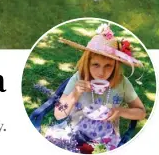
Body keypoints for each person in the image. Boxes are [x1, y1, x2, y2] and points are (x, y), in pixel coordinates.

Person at [52, 23, 146, 151]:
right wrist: (75, 94)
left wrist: (121, 111)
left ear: (116, 66)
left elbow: (141, 113)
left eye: (108, 66)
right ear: (87, 63)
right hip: (73, 133)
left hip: (106, 139)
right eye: (95, 65)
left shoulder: (121, 82)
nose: (101, 73)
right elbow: (58, 114)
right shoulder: (78, 78)